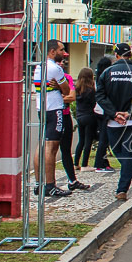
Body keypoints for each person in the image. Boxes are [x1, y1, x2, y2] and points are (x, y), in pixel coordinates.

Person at [96, 43, 132, 201]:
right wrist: (130, 112)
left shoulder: (107, 72)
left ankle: (123, 189)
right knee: (127, 153)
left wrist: (114, 113)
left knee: (117, 151)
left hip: (113, 120)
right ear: (130, 54)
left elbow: (100, 95)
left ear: (116, 54)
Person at [32, 40, 73, 197]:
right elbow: (66, 90)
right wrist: (59, 86)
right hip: (54, 109)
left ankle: (38, 183)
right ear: (52, 51)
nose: (64, 53)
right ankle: (50, 185)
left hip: (41, 108)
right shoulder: (56, 68)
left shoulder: (39, 66)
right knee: (52, 147)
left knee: (42, 145)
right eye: (61, 50)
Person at [58, 61, 90, 191]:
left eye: (63, 61)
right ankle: (43, 183)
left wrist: (58, 96)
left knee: (66, 149)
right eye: (59, 61)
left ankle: (72, 180)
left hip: (65, 115)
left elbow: (71, 97)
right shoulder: (45, 76)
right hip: (51, 115)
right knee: (48, 148)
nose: (62, 64)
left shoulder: (67, 78)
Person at [92, 54, 116, 173]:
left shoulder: (99, 77)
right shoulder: (105, 78)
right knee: (104, 139)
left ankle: (104, 162)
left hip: (100, 110)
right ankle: (99, 164)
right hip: (103, 111)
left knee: (105, 139)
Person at [73, 67, 99, 173]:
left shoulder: (77, 89)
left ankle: (76, 163)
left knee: (81, 140)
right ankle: (84, 164)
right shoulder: (91, 90)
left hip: (80, 116)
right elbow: (94, 104)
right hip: (89, 116)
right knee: (88, 141)